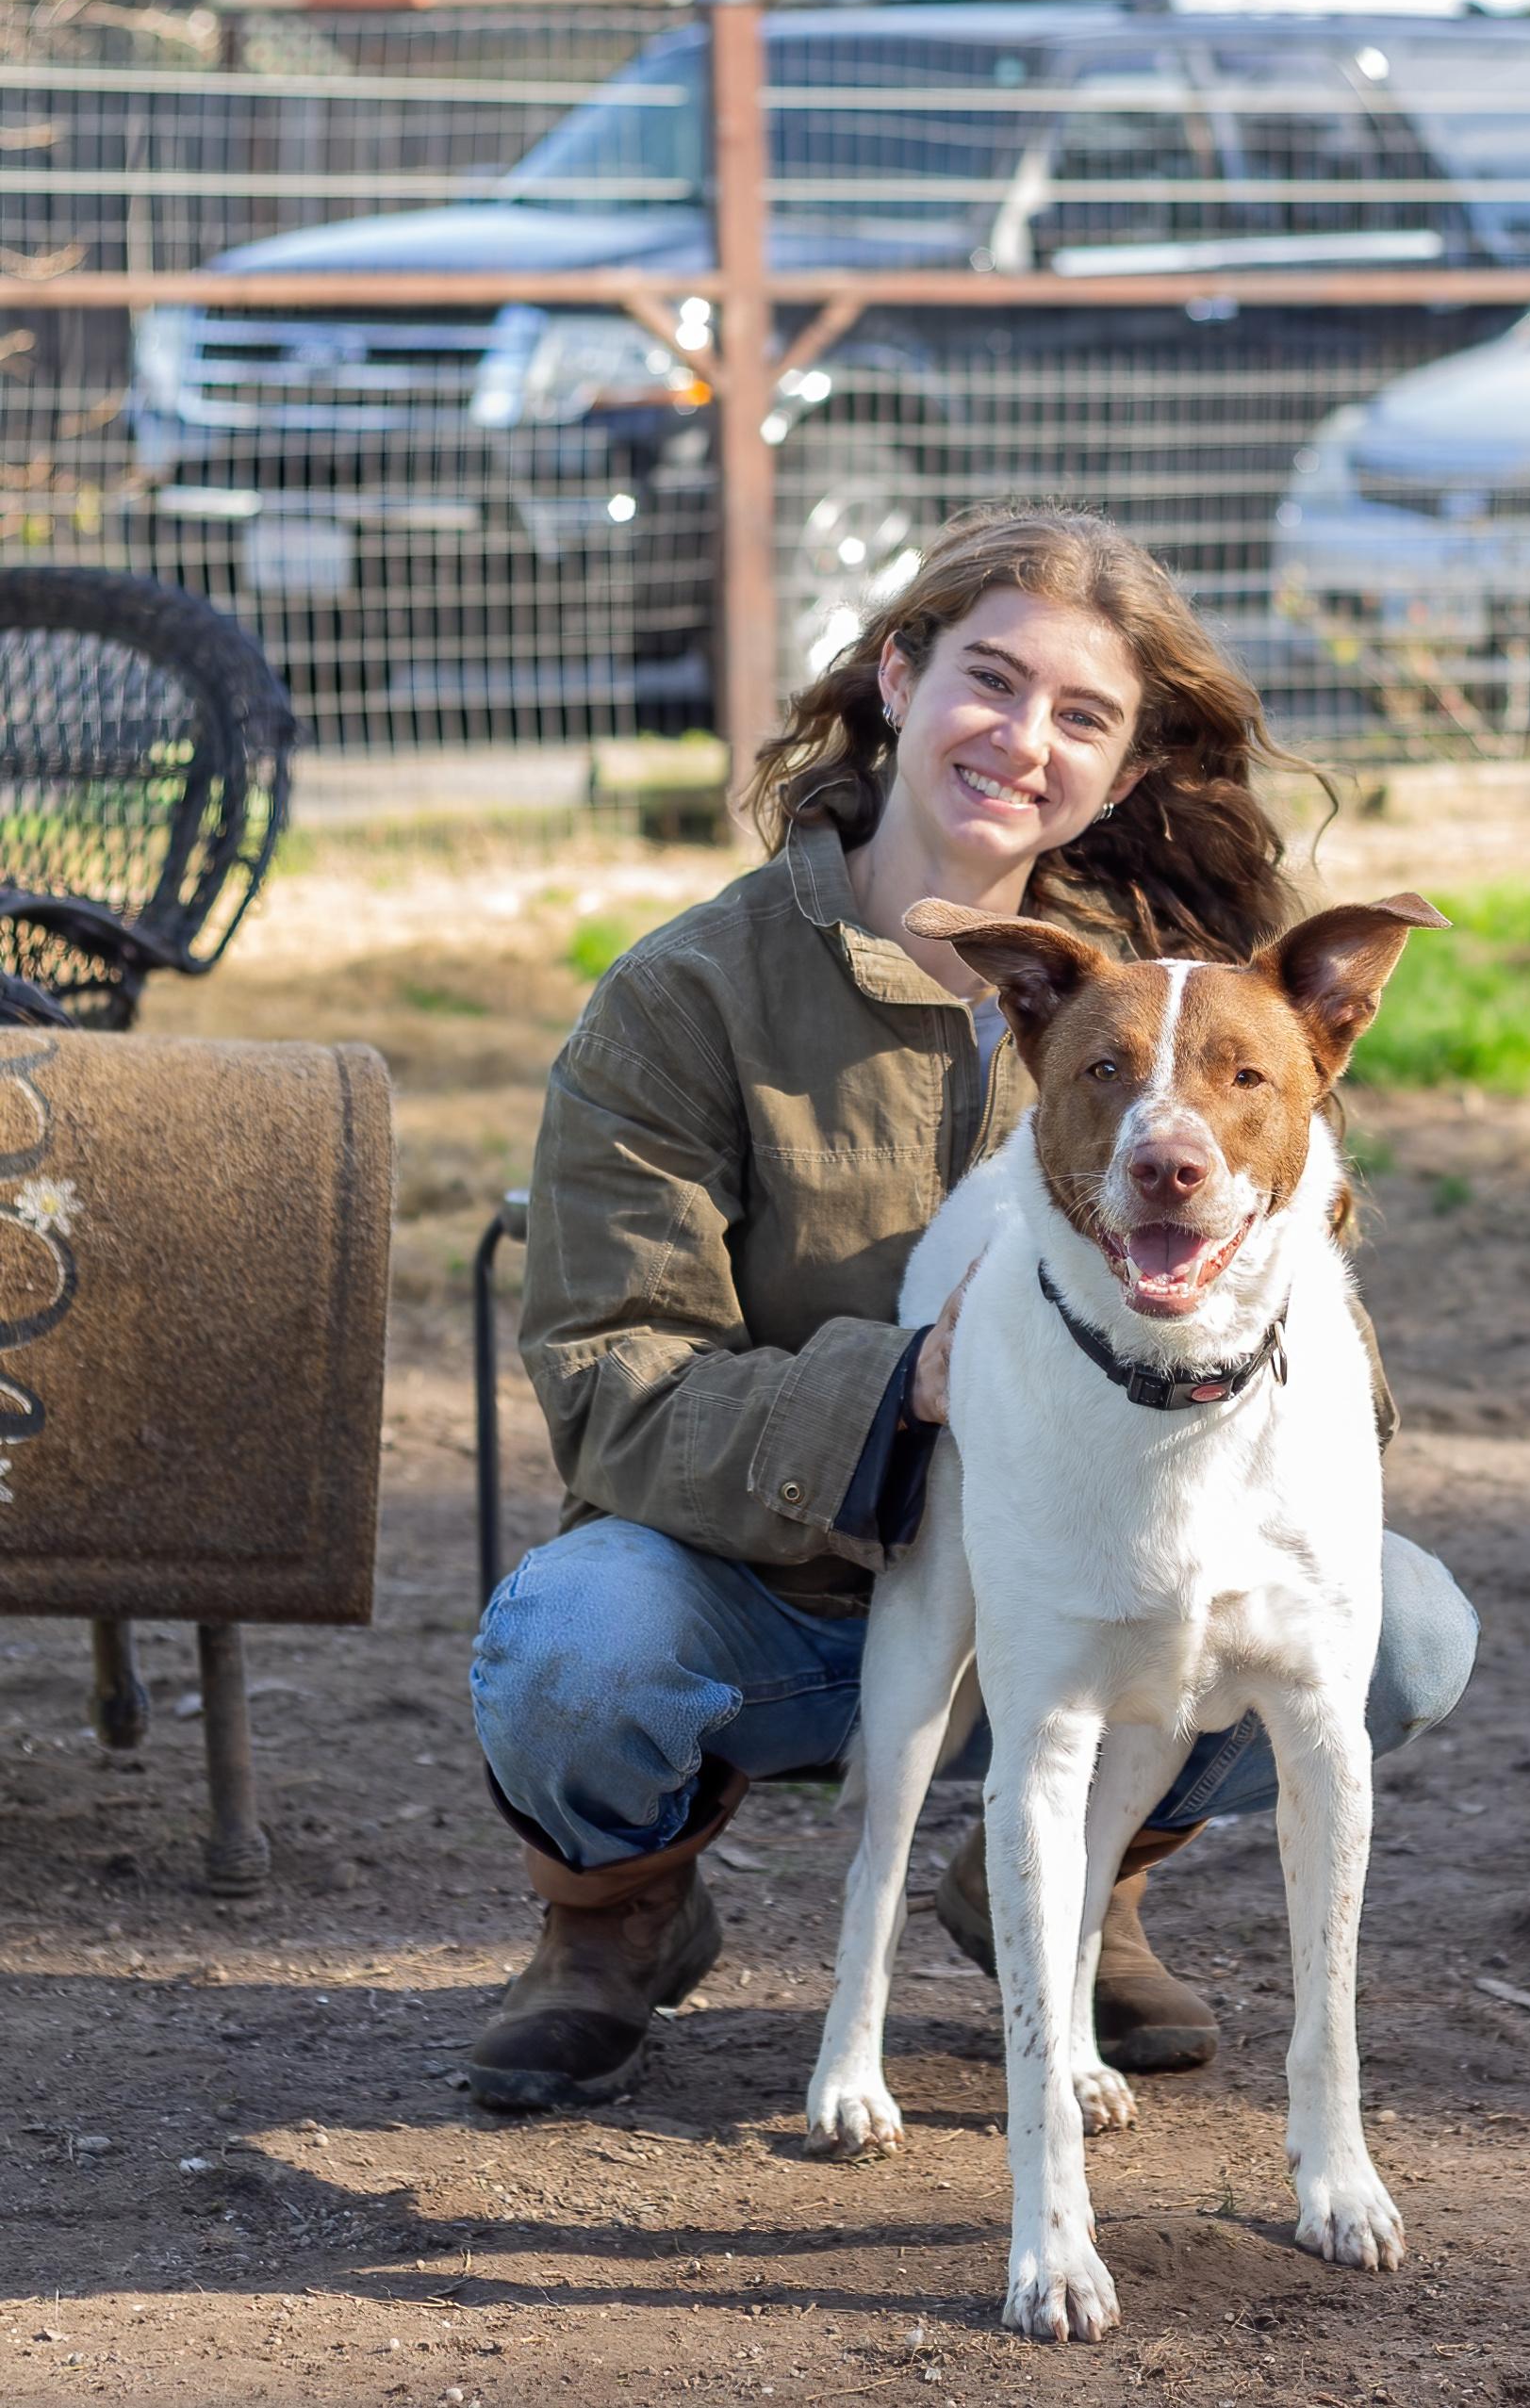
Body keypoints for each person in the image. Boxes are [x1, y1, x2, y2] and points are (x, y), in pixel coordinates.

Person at [467, 504, 1478, 2111]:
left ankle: (1076, 1876)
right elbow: (610, 1377)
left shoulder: (1192, 1023)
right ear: (895, 676)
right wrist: (913, 1388)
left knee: (1400, 1622)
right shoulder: (689, 996)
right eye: (988, 681)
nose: (1022, 740)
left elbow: (1314, 1307)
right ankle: (618, 1915)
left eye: (1082, 716)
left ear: (1130, 768)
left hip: (1102, 1578)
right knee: (579, 1643)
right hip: (778, 1598)